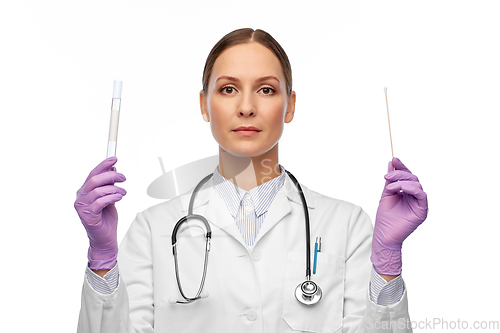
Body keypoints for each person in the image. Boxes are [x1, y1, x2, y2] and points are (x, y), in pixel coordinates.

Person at [75, 28, 428, 333]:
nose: (246, 107)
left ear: (290, 106)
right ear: (204, 105)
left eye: (266, 90)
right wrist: (103, 259)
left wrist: (387, 264)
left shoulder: (346, 226)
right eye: (228, 89)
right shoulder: (153, 230)